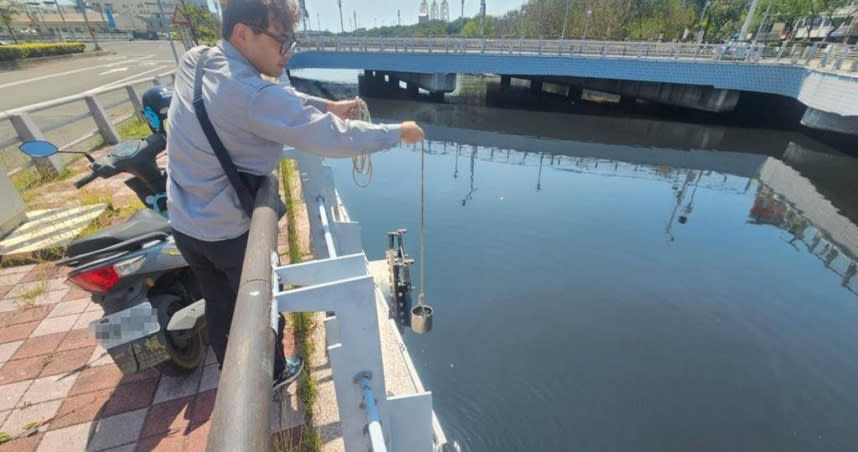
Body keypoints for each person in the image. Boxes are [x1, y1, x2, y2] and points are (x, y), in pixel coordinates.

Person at [166, 0, 424, 391]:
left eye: (291, 42)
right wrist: (397, 133)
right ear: (243, 34)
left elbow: (275, 99)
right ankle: (270, 378)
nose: (288, 52)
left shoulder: (196, 59)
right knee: (261, 307)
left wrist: (328, 105)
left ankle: (230, 377)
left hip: (184, 224)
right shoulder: (251, 94)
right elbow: (331, 136)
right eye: (281, 41)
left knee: (219, 304)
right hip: (228, 232)